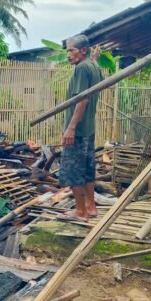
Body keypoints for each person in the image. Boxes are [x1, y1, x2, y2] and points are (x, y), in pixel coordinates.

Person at [59, 34, 104, 222]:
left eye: (72, 50)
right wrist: (93, 58)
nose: (68, 55)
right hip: (89, 128)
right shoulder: (93, 66)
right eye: (68, 50)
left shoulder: (81, 69)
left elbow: (82, 99)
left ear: (82, 50)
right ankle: (91, 207)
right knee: (87, 169)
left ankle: (80, 211)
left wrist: (70, 128)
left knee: (72, 170)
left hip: (77, 130)